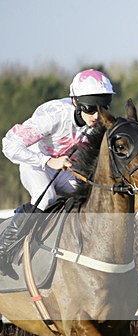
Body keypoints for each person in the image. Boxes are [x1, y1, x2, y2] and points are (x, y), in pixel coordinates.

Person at [0, 69, 115, 277]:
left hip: (63, 166)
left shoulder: (99, 121)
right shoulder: (54, 116)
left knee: (90, 194)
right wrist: (48, 161)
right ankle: (3, 249)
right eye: (90, 109)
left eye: (102, 108)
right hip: (35, 162)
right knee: (46, 199)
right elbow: (9, 144)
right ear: (75, 103)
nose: (96, 116)